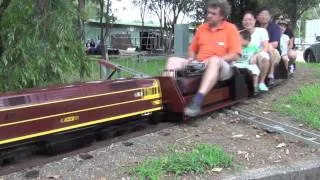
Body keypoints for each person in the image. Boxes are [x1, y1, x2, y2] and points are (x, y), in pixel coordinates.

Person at [163, 0, 241, 117]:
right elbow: (192, 49)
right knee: (172, 60)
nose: (208, 15)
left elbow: (235, 55)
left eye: (213, 14)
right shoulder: (202, 28)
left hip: (223, 67)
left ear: (222, 16)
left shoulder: (231, 29)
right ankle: (166, 96)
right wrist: (191, 58)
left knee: (214, 60)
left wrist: (214, 59)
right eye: (208, 12)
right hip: (200, 64)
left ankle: (198, 100)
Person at [242, 12, 270, 91]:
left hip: (258, 54)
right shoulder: (239, 33)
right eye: (245, 20)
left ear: (254, 21)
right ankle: (251, 85)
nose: (248, 22)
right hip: (244, 56)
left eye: (250, 19)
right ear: (242, 22)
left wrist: (254, 55)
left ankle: (261, 82)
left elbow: (265, 47)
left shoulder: (262, 31)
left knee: (264, 56)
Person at [256, 7, 281, 85]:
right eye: (261, 14)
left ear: (269, 17)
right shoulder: (255, 27)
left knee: (270, 48)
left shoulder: (275, 27)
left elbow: (275, 44)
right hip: (257, 51)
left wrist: (262, 48)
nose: (264, 16)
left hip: (273, 52)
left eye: (266, 14)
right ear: (257, 17)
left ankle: (271, 75)